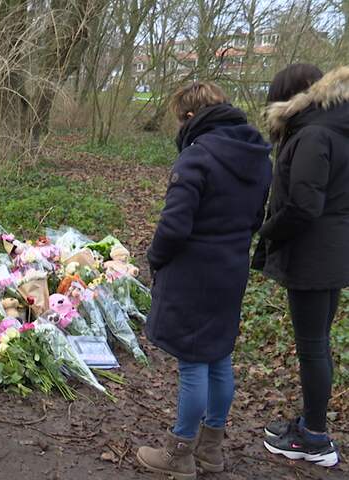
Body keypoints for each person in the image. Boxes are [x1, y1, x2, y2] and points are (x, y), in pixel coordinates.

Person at [137, 82, 272, 479]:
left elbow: (174, 226)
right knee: (219, 359)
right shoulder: (259, 156)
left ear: (191, 117)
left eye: (181, 119)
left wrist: (155, 257)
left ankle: (180, 453)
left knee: (193, 364)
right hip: (231, 270)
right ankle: (211, 451)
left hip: (193, 274)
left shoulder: (197, 157)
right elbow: (255, 220)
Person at [256, 64, 347, 468]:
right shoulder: (336, 128)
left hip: (313, 255)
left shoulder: (314, 134)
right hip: (333, 250)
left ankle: (315, 438)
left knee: (312, 349)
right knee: (318, 346)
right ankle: (312, 427)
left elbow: (305, 205)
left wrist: (267, 230)